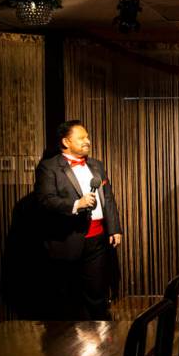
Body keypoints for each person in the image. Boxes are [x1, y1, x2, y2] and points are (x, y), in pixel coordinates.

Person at [34, 120, 123, 320]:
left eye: (87, 137)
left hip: (98, 238)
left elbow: (108, 198)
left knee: (97, 293)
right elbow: (45, 201)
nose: (88, 141)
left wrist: (114, 228)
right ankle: (69, 345)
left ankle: (102, 341)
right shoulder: (49, 167)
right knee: (69, 296)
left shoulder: (96, 165)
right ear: (66, 141)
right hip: (67, 240)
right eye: (82, 137)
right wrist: (76, 204)